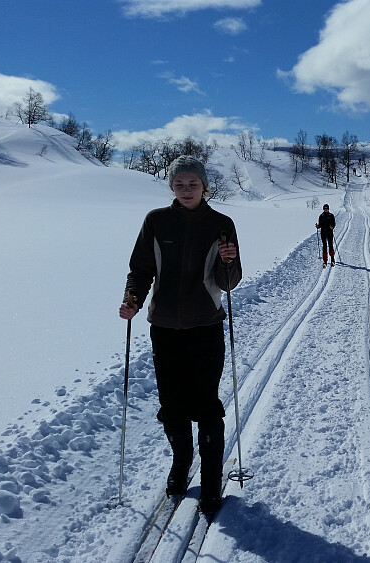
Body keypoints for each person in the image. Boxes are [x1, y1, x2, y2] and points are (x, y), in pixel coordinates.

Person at [118, 155, 241, 516]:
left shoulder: (221, 224)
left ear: (205, 186)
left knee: (205, 405)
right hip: (165, 327)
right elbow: (140, 269)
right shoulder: (156, 221)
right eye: (179, 184)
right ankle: (181, 461)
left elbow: (228, 284)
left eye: (193, 184)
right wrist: (132, 299)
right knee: (172, 406)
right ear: (172, 186)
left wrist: (229, 261)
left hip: (206, 326)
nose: (186, 190)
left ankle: (212, 478)